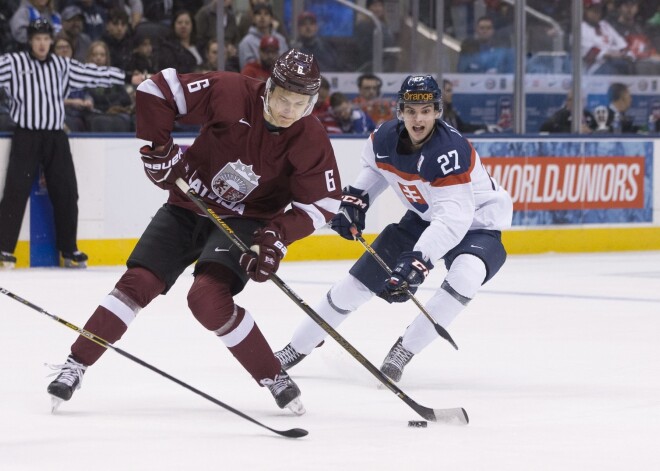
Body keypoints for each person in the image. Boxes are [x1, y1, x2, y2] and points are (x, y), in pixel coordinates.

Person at [46, 49, 342, 415]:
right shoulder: (232, 91)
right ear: (269, 87)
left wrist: (276, 236)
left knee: (207, 299)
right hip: (188, 203)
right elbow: (156, 90)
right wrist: (160, 149)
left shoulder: (310, 137)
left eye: (300, 104)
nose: (287, 111)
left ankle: (272, 374)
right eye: (283, 98)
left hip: (244, 220)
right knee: (137, 283)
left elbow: (322, 204)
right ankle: (76, 363)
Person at [274, 75, 513, 384]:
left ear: (437, 112)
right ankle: (297, 347)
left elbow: (452, 220)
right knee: (355, 285)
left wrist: (418, 261)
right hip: (424, 219)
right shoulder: (383, 139)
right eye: (411, 110)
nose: (418, 118)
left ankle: (404, 350)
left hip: (479, 223)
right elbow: (374, 172)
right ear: (399, 111)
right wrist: (356, 201)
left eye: (426, 110)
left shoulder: (448, 152)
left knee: (466, 275)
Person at [0, 19, 145, 269]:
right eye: (38, 39)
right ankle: (4, 249)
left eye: (46, 39)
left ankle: (69, 249)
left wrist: (127, 76)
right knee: (15, 192)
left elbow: (94, 73)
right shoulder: (14, 63)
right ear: (30, 41)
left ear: (51, 41)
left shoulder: (61, 65)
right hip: (26, 135)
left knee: (67, 191)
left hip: (56, 136)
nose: (42, 44)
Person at [581, 0, 632, 74]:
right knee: (616, 66)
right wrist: (610, 54)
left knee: (633, 65)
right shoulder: (580, 28)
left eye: (599, 10)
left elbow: (622, 45)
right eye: (593, 10)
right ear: (585, 10)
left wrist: (625, 54)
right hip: (591, 70)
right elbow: (589, 54)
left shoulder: (604, 25)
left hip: (613, 64)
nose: (597, 13)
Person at [238, 2, 288, 70]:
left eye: (266, 14)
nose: (262, 17)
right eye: (258, 14)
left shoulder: (281, 40)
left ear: (271, 18)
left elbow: (286, 65)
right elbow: (246, 70)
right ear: (253, 18)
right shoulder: (246, 42)